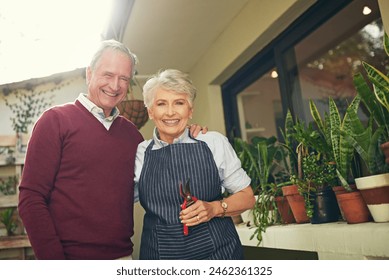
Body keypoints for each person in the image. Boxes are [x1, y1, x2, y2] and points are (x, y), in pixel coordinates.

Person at [18, 40, 204, 260]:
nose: (115, 86)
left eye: (124, 78)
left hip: (123, 258)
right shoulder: (55, 121)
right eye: (107, 75)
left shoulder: (133, 136)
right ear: (89, 74)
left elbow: (162, 187)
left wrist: (187, 140)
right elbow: (31, 198)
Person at [134, 69, 255, 260]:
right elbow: (116, 202)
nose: (171, 112)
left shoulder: (213, 142)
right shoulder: (139, 153)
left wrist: (215, 208)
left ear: (190, 110)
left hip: (219, 255)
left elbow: (247, 197)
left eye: (179, 103)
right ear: (150, 111)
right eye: (161, 104)